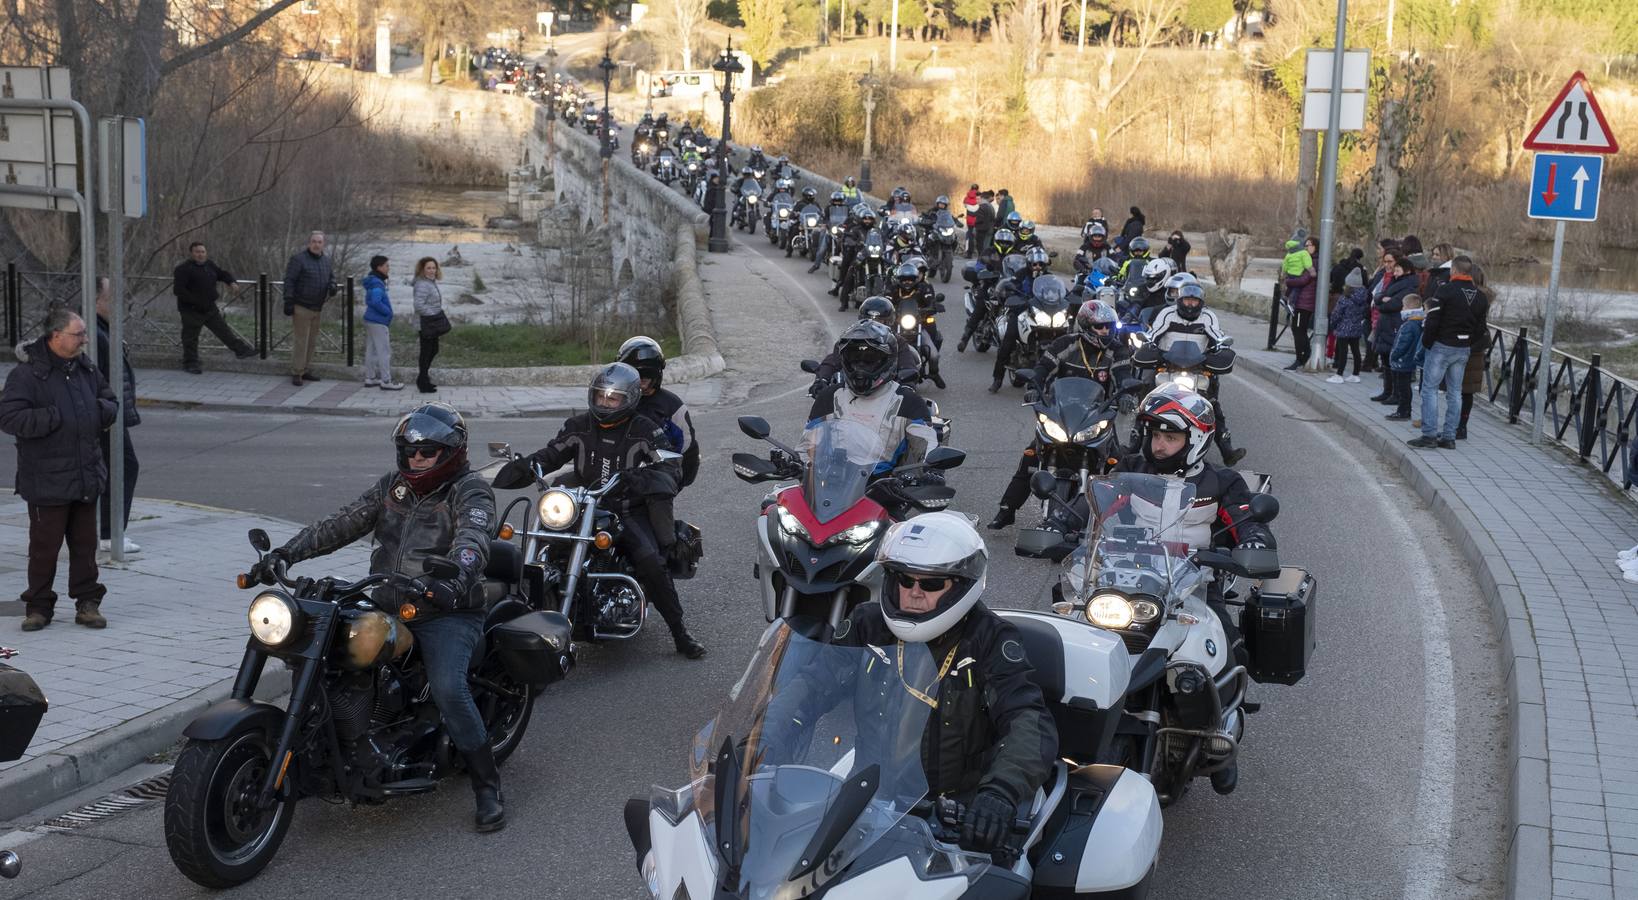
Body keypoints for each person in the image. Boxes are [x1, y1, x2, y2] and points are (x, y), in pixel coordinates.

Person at [246, 403, 507, 832]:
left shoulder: (470, 490)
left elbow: (472, 542)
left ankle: (487, 786)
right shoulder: (394, 487)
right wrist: (285, 553)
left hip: (446, 609)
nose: (415, 459)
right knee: (328, 649)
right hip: (388, 600)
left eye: (426, 452)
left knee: (447, 687)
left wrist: (454, 579)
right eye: (409, 451)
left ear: (451, 452)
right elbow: (342, 522)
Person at [763, 511, 1059, 853]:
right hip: (867, 800)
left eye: (931, 583)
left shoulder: (989, 639)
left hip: (951, 815)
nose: (914, 592)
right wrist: (764, 738)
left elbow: (1027, 719)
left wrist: (999, 793)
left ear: (960, 587)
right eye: (905, 580)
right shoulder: (868, 625)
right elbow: (813, 684)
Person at [496, 365, 706, 659]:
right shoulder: (579, 426)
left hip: (626, 509)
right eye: (600, 397)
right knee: (540, 542)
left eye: (613, 399)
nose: (604, 404)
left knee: (650, 561)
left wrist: (640, 477)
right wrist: (530, 466)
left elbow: (669, 466)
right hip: (581, 506)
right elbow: (553, 452)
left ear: (630, 399)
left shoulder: (645, 429)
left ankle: (680, 632)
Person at [1116, 385, 1270, 662]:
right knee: (1076, 628)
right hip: (1128, 577)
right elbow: (1091, 505)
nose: (1159, 446)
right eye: (1156, 436)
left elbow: (1245, 519)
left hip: (1195, 584)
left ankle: (1233, 705)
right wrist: (1060, 521)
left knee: (1231, 652)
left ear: (1197, 439)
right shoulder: (1130, 469)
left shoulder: (1221, 482)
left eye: (1170, 437)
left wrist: (1254, 539)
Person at [2, 308, 118, 631]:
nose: (84, 339)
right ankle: (38, 607)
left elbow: (110, 401)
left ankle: (88, 603)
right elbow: (9, 417)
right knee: (44, 549)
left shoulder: (85, 368)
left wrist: (98, 412)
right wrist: (53, 418)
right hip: (46, 481)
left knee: (85, 546)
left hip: (85, 475)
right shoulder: (27, 375)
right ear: (56, 337)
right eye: (78, 333)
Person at [988, 301, 1130, 529]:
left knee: (1118, 463)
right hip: (1062, 413)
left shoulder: (1117, 349)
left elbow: (1123, 374)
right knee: (1031, 455)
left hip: (1097, 416)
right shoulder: (1066, 344)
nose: (1106, 331)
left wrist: (1126, 393)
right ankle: (1007, 509)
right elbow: (1043, 368)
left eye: (1109, 326)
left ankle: (1127, 523)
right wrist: (1034, 385)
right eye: (1100, 326)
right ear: (1085, 326)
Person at [808, 321, 939, 468]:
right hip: (832, 483)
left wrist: (930, 470)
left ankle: (935, 372)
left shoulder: (908, 401)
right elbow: (808, 446)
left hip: (889, 486)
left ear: (887, 361)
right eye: (855, 360)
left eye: (869, 360)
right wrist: (795, 463)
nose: (860, 368)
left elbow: (926, 448)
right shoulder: (828, 397)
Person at [1145, 284, 1244, 465]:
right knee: (1148, 400)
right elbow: (1153, 335)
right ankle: (1134, 445)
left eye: (1194, 301)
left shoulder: (1208, 316)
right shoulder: (1167, 314)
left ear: (1201, 302)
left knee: (1212, 406)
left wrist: (1221, 347)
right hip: (1168, 366)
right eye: (1187, 300)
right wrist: (1149, 344)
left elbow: (1218, 337)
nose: (1190, 305)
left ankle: (1227, 450)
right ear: (1179, 301)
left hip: (1198, 368)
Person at [1411, 256, 1488, 450]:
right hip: (1462, 349)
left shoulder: (1445, 291)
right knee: (1455, 392)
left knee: (1429, 389)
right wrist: (1468, 342)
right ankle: (1449, 437)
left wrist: (1428, 342)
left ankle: (1428, 435)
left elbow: (1433, 320)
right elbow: (1481, 328)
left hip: (1441, 345)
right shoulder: (1480, 296)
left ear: (1453, 270)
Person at [93, 278, 141, 555]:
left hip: (109, 412)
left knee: (115, 469)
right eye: (111, 298)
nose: (117, 305)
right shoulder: (95, 335)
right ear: (96, 300)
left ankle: (106, 532)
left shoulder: (103, 329)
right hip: (106, 415)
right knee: (123, 468)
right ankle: (110, 535)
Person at [616, 336, 699, 487]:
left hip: (656, 472)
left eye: (645, 376)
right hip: (614, 468)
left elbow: (686, 445)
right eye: (634, 375)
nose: (639, 380)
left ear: (656, 374)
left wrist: (663, 468)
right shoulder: (616, 399)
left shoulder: (672, 406)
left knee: (657, 503)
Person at [172, 241, 255, 374]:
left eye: (203, 252)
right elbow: (179, 290)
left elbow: (222, 274)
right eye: (197, 252)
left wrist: (231, 282)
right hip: (191, 310)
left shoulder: (209, 265)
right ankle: (191, 363)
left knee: (223, 330)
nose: (200, 254)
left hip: (209, 308)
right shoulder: (183, 269)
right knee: (190, 338)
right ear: (191, 253)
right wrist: (195, 302)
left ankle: (241, 351)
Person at [281, 230, 337, 387]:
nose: (316, 244)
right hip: (301, 306)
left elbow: (331, 276)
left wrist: (332, 285)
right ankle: (297, 372)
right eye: (314, 241)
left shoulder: (326, 261)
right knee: (301, 341)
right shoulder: (298, 260)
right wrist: (288, 301)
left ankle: (305, 369)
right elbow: (289, 281)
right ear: (309, 243)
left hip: (317, 307)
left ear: (323, 244)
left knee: (311, 342)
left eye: (319, 242)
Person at [1369, 254, 1419, 400]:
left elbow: (1394, 304)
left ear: (1407, 271)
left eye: (1398, 269)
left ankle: (1396, 394)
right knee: (1385, 360)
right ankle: (1387, 391)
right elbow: (1378, 296)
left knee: (1394, 361)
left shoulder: (1409, 285)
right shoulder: (1392, 281)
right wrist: (1382, 300)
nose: (1394, 272)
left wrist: (1382, 302)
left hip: (1394, 325)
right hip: (1385, 325)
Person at [1455, 264, 1495, 440]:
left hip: (1468, 344)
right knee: (1467, 390)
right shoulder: (1483, 296)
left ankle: (1459, 425)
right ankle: (1461, 425)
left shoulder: (1474, 297)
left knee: (1461, 389)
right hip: (1477, 346)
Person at [361, 256, 404, 391]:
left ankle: (370, 377)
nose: (388, 268)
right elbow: (375, 301)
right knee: (384, 351)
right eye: (386, 266)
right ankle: (386, 380)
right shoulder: (378, 283)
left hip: (370, 319)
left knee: (371, 350)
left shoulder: (372, 281)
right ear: (379, 267)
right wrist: (388, 312)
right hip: (378, 321)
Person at [1385, 294, 1426, 422]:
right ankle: (1404, 410)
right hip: (1410, 360)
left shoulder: (1409, 325)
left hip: (1403, 361)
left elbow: (1402, 344)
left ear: (1408, 307)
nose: (1402, 309)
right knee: (1405, 386)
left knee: (1403, 388)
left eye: (1403, 306)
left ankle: (1403, 411)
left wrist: (1394, 355)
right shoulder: (1419, 322)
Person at [1325, 267, 1368, 384]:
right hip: (1357, 327)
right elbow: (1365, 312)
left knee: (1342, 352)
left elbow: (1336, 314)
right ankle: (1355, 374)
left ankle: (1339, 374)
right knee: (1356, 351)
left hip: (1343, 328)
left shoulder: (1345, 298)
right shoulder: (1363, 297)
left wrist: (1333, 324)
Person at [1280, 239, 1317, 370]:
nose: (1306, 247)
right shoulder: (1304, 258)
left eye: (1309, 245)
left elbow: (1304, 279)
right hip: (1300, 302)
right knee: (1297, 329)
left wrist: (1289, 282)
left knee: (1299, 330)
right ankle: (1303, 356)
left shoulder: (1313, 262)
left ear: (1315, 247)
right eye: (1305, 245)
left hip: (1304, 303)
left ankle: (1302, 357)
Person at [413, 257, 446, 394]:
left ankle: (423, 378)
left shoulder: (430, 282)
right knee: (426, 352)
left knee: (433, 350)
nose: (432, 270)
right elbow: (419, 305)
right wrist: (434, 314)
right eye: (429, 268)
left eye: (434, 268)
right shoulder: (422, 284)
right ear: (422, 269)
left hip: (431, 323)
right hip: (425, 323)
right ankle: (422, 381)